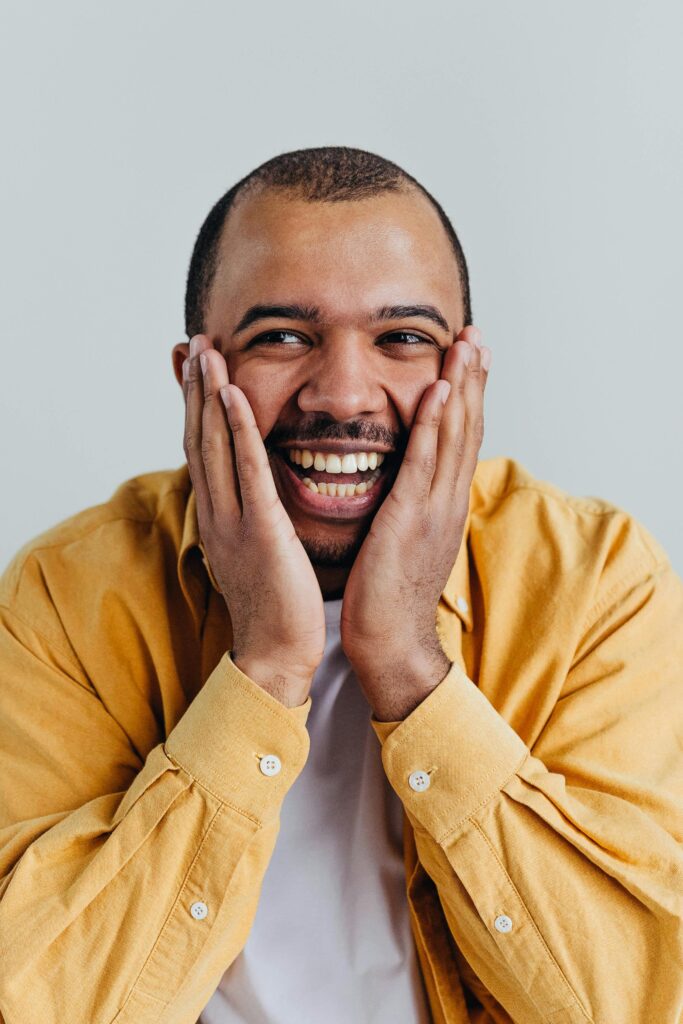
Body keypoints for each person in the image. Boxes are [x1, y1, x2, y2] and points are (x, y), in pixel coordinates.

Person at [0, 146, 681, 1024]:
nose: (344, 394)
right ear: (195, 379)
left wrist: (405, 661)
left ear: (463, 375)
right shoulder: (63, 596)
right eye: (282, 336)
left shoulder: (596, 583)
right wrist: (269, 666)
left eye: (402, 338)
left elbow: (631, 1003)